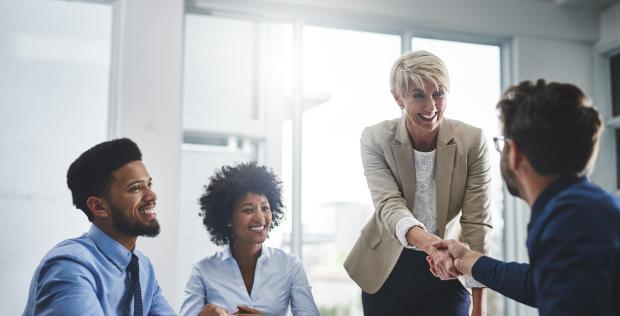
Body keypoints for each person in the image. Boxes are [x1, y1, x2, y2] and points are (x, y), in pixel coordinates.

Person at [431, 80, 620, 315]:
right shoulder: (586, 208)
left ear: (515, 153)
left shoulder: (569, 220)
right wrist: (470, 260)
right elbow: (540, 283)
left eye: (503, 144)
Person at [343, 50, 492, 316]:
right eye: (418, 95)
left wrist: (479, 306)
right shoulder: (375, 138)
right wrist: (430, 245)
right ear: (397, 97)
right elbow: (389, 204)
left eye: (439, 93)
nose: (431, 106)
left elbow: (476, 224)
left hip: (448, 269)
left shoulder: (472, 142)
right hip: (386, 270)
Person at [23, 138, 176, 315]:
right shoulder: (70, 267)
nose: (152, 195)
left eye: (149, 184)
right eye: (135, 188)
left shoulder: (142, 267)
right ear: (98, 207)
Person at [180, 162, 319, 316]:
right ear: (228, 218)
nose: (260, 218)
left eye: (265, 208)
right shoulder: (203, 271)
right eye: (248, 210)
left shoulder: (291, 267)